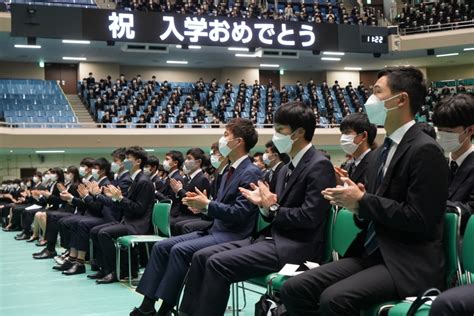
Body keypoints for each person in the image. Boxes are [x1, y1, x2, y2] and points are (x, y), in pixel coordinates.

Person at [281, 66, 449, 315]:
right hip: (373, 252)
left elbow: (421, 219)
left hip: (407, 260)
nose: (369, 100)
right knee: (295, 288)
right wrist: (356, 206)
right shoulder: (381, 151)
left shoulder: (425, 150)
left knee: (334, 299)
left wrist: (363, 201)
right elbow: (373, 211)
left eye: (377, 92)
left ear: (400, 99)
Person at [178, 101, 336, 316]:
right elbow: (273, 213)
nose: (275, 136)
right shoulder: (285, 167)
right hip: (270, 239)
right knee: (200, 256)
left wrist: (271, 208)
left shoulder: (319, 165)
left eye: (280, 130)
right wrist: (262, 206)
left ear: (299, 132)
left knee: (216, 263)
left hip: (297, 246)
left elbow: (309, 217)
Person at [130, 118, 262, 316]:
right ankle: (148, 305)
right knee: (161, 247)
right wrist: (203, 208)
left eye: (226, 135)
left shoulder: (251, 172)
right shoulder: (227, 170)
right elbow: (221, 206)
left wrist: (208, 205)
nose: (222, 139)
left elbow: (240, 213)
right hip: (216, 228)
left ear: (238, 142)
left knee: (179, 250)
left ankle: (166, 308)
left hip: (234, 234)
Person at [92, 146, 155, 284]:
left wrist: (119, 198)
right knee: (96, 231)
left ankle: (117, 270)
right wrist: (115, 197)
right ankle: (107, 268)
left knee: (104, 233)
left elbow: (138, 209)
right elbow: (126, 203)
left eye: (128, 159)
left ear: (138, 161)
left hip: (138, 225)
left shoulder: (143, 181)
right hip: (128, 221)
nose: (125, 161)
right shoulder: (135, 179)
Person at [433, 94, 474, 234]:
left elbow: (469, 212)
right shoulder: (438, 162)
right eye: (439, 130)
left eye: (449, 132)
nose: (442, 136)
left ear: (470, 130)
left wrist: (426, 202)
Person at [169, 148, 210, 235]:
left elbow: (195, 200)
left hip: (194, 215)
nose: (186, 161)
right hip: (184, 212)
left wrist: (180, 190)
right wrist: (177, 191)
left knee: (175, 223)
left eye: (189, 158)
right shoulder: (189, 178)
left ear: (198, 162)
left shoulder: (202, 179)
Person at [336, 113, 377, 185]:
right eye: (342, 133)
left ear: (363, 136)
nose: (343, 137)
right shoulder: (346, 167)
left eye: (347, 132)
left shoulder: (377, 163)